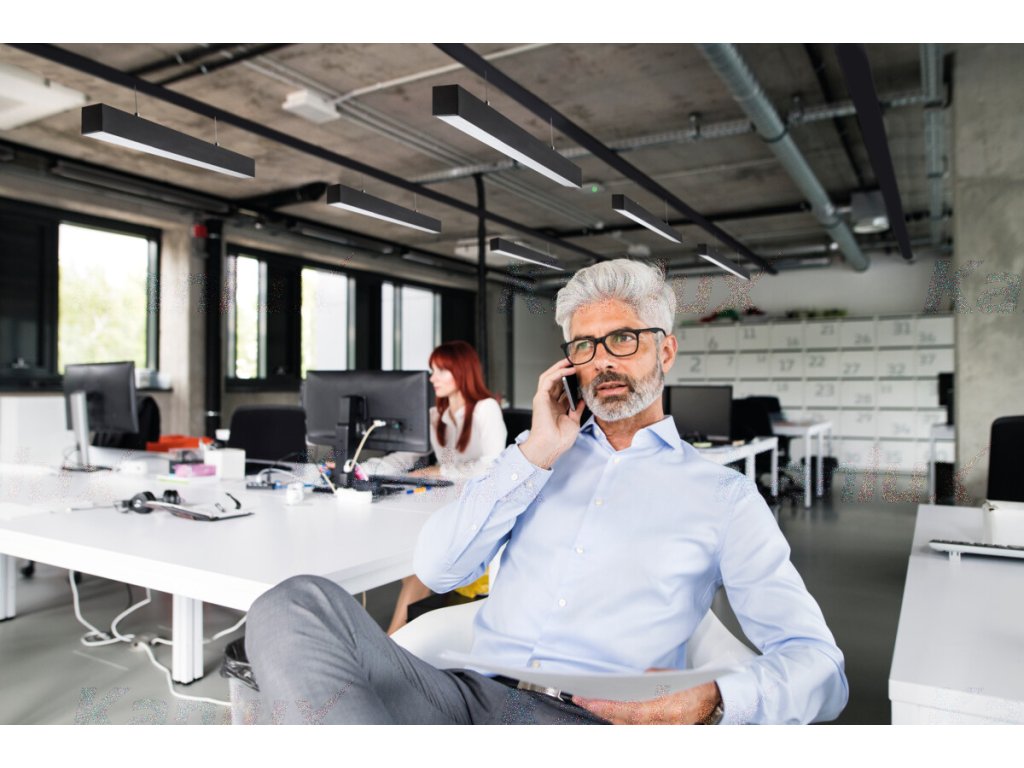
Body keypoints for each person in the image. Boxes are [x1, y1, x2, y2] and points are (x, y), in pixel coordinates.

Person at [246, 259, 848, 725]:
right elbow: (437, 568)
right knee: (292, 605)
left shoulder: (723, 496)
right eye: (584, 346)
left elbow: (821, 666)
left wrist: (708, 700)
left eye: (623, 339)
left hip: (591, 719)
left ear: (665, 349)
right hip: (467, 693)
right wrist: (535, 454)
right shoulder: (532, 461)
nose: (602, 361)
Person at [358, 340, 506, 634]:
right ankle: (404, 635)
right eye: (432, 371)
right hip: (437, 503)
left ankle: (392, 640)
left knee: (417, 570)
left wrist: (441, 470)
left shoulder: (485, 409)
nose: (432, 378)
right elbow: (406, 457)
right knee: (408, 560)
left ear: (462, 372)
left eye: (440, 371)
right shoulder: (435, 415)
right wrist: (364, 468)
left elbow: (494, 465)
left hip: (472, 508)